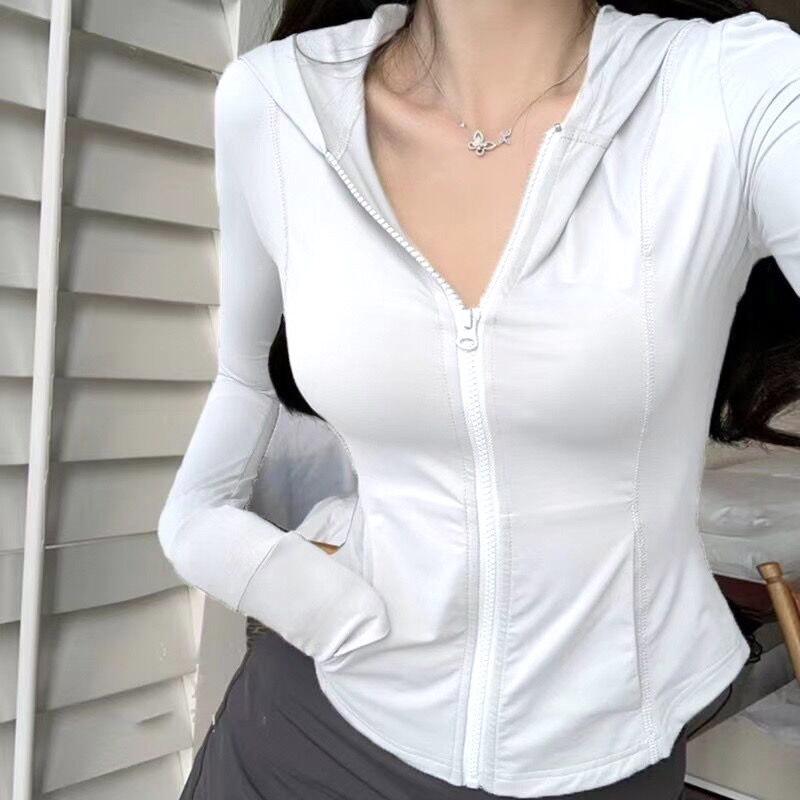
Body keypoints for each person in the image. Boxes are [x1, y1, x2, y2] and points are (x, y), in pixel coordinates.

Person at [157, 1, 800, 798]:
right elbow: (244, 379)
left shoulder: (735, 87)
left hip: (600, 758)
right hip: (308, 721)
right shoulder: (275, 99)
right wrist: (225, 547)